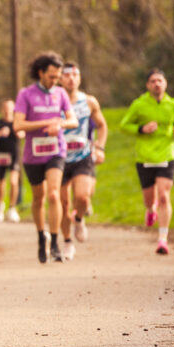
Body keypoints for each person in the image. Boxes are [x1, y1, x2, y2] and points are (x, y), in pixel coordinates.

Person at [13, 52, 77, 263]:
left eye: (57, 77)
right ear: (40, 73)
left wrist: (59, 124)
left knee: (53, 195)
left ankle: (56, 242)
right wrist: (45, 123)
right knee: (39, 198)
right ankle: (42, 237)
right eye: (51, 76)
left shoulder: (60, 93)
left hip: (55, 151)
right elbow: (18, 125)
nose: (55, 81)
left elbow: (72, 120)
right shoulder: (26, 94)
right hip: (33, 155)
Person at [120, 68, 174, 254]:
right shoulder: (139, 104)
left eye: (160, 80)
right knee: (150, 199)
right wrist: (141, 129)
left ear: (165, 83)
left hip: (166, 154)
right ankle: (150, 210)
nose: (157, 84)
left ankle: (162, 239)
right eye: (153, 81)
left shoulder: (173, 104)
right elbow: (124, 126)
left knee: (164, 196)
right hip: (145, 157)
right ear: (148, 85)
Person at [58, 62, 108, 260]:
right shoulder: (55, 101)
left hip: (83, 156)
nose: (71, 78)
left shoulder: (89, 101)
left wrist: (99, 147)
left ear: (79, 78)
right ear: (61, 79)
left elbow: (102, 126)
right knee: (62, 203)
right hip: (60, 156)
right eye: (67, 75)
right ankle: (68, 243)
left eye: (75, 75)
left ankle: (78, 218)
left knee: (83, 197)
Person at [0, 100, 24, 222]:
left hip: (15, 156)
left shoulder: (16, 122)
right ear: (2, 109)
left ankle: (12, 208)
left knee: (13, 182)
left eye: (10, 107)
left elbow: (23, 134)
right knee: (1, 182)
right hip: (2, 155)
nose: (7, 109)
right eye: (5, 107)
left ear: (14, 108)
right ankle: (0, 206)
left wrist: (18, 132)